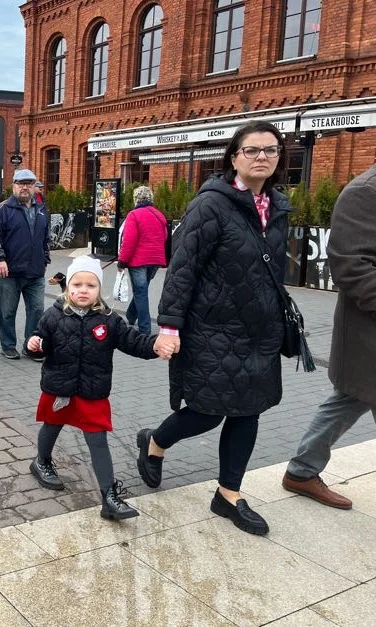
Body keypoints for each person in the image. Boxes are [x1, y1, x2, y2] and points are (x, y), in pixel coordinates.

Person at [136, 120, 292, 536]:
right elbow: (183, 269)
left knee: (249, 411)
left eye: (270, 150)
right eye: (252, 150)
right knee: (206, 411)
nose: (262, 157)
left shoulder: (278, 206)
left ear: (280, 157)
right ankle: (155, 441)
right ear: (234, 157)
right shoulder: (211, 205)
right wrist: (169, 326)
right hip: (213, 328)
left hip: (261, 331)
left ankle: (228, 495)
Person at [27, 256, 161, 519]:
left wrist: (156, 345)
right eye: (77, 284)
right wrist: (34, 345)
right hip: (60, 388)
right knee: (51, 426)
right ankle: (41, 461)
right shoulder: (53, 315)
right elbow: (39, 340)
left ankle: (109, 497)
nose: (83, 290)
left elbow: (134, 342)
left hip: (92, 391)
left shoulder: (109, 320)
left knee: (98, 440)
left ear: (99, 289)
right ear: (68, 287)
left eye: (91, 285)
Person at [281, 163, 376, 509]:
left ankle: (302, 470)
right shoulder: (365, 192)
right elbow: (351, 266)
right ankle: (302, 471)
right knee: (353, 396)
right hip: (367, 333)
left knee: (351, 399)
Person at [0, 169, 50, 360]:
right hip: (9, 272)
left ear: (34, 187)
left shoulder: (41, 209)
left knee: (37, 311)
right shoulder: (3, 209)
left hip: (35, 272)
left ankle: (30, 346)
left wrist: (45, 259)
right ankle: (8, 345)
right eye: (21, 184)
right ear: (13, 185)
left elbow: (46, 239)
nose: (25, 187)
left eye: (29, 184)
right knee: (7, 312)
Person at [117, 185, 168, 333]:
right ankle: (131, 316)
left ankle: (145, 329)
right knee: (142, 290)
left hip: (138, 261)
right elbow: (164, 237)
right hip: (156, 260)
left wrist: (122, 261)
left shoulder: (134, 215)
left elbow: (129, 240)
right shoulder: (159, 215)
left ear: (136, 199)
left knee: (140, 292)